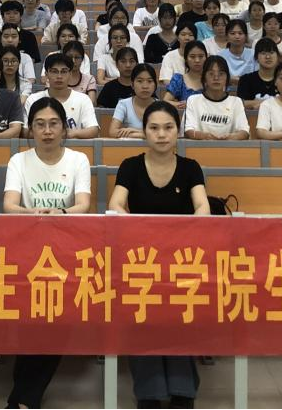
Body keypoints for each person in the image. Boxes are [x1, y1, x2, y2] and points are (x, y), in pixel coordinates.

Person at [108, 99, 208, 410]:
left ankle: (182, 390)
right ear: (144, 131)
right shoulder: (130, 166)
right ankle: (149, 392)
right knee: (143, 314)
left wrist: (185, 233)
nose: (161, 134)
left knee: (181, 314)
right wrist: (140, 230)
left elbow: (202, 207)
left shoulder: (190, 167)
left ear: (178, 131)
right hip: (142, 260)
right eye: (154, 128)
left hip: (182, 260)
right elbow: (115, 205)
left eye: (168, 128)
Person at [2, 96, 91, 410]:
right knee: (30, 319)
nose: (48, 131)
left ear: (64, 128)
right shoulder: (19, 161)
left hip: (67, 250)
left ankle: (23, 399)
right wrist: (36, 214)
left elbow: (83, 205)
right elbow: (9, 205)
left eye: (54, 124)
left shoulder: (78, 160)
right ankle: (25, 398)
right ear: (31, 129)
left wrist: (59, 214)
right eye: (40, 124)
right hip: (26, 249)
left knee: (56, 319)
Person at [24, 53, 100, 139]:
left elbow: (94, 130)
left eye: (64, 72)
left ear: (70, 74)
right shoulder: (33, 99)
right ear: (46, 74)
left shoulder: (83, 99)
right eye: (54, 71)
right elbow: (25, 131)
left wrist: (71, 133)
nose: (59, 76)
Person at [184, 56, 250, 140]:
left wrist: (229, 137)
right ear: (204, 77)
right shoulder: (193, 100)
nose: (216, 78)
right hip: (200, 146)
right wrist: (206, 136)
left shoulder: (236, 102)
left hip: (229, 146)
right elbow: (189, 131)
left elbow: (245, 132)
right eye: (211, 74)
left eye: (221, 74)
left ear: (227, 78)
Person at [108, 64, 159, 138]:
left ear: (155, 85)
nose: (145, 86)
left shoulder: (161, 106)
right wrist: (145, 134)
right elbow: (113, 132)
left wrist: (135, 131)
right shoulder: (123, 104)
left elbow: (163, 133)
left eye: (149, 81)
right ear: (132, 85)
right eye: (140, 81)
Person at [237, 38, 280, 110]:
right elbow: (240, 104)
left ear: (277, 56)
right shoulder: (246, 79)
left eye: (271, 52)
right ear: (256, 57)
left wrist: (257, 103)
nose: (268, 57)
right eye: (263, 53)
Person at [163, 41, 207, 111]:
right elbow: (165, 101)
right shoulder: (179, 79)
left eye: (201, 56)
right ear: (186, 59)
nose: (197, 60)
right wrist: (180, 104)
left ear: (206, 57)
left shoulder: (211, 79)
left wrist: (191, 104)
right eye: (192, 57)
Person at [218, 19, 256, 85]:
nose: (237, 36)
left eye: (240, 33)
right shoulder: (220, 56)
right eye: (232, 33)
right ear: (226, 36)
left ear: (246, 36)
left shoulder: (253, 54)